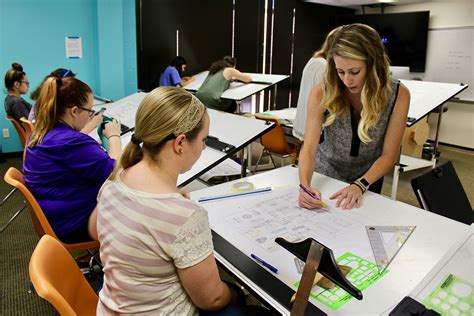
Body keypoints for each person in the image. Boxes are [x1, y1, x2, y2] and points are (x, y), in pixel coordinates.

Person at [96, 87, 270, 315]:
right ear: (179, 143)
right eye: (203, 139)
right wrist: (236, 293)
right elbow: (212, 299)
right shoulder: (183, 216)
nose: (204, 147)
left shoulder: (113, 182)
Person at [298, 23, 410, 210]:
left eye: (355, 72)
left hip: (368, 180)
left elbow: (389, 155)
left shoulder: (398, 95)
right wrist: (305, 187)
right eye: (340, 71)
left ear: (374, 66)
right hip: (326, 176)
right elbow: (309, 147)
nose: (347, 80)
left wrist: (360, 185)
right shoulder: (322, 92)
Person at [23, 77, 122, 243]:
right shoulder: (70, 142)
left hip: (55, 216)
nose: (90, 115)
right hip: (73, 223)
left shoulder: (42, 131)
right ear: (74, 111)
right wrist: (114, 136)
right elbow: (116, 173)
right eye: (89, 111)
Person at [293, 27, 340, 140]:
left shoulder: (314, 60)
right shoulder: (323, 66)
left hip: (304, 124)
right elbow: (323, 99)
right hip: (313, 127)